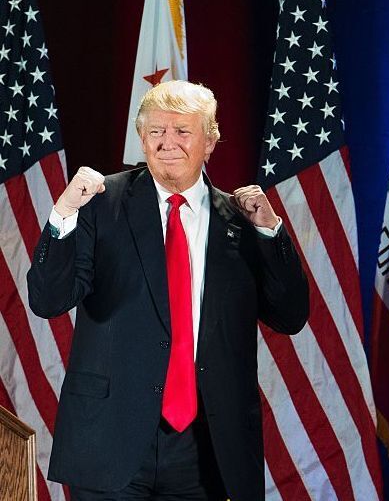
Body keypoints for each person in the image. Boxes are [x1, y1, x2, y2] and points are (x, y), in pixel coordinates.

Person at [28, 80, 309, 500]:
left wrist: (270, 231)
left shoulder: (240, 219)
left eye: (182, 131)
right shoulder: (99, 204)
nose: (167, 143)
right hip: (110, 439)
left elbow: (290, 316)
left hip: (207, 449)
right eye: (156, 131)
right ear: (141, 138)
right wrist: (63, 213)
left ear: (210, 141)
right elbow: (48, 300)